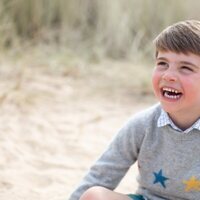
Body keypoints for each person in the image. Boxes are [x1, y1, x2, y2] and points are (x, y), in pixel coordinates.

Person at [69, 20, 200, 200]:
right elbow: (102, 174)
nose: (168, 75)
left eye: (185, 67)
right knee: (94, 195)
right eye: (162, 63)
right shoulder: (143, 125)